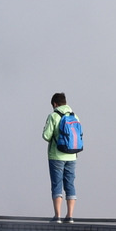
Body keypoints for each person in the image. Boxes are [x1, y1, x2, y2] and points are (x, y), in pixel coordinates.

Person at [43, 93, 78, 223]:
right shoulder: (75, 116)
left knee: (57, 184)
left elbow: (46, 136)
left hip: (56, 155)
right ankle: (70, 216)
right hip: (72, 155)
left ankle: (57, 216)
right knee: (70, 184)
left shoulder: (53, 116)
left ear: (54, 104)